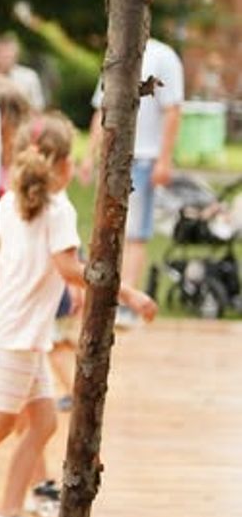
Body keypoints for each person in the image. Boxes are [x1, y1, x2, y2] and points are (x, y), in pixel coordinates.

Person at [0, 112, 157, 517]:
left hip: (18, 329)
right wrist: (128, 293)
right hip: (19, 333)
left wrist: (66, 284)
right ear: (62, 166)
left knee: (41, 423)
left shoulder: (12, 200)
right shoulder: (57, 208)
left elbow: (42, 261)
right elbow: (70, 267)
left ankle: (8, 511)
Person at [81, 32, 183, 327]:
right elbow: (102, 108)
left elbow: (173, 109)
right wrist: (89, 155)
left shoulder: (163, 56)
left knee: (136, 232)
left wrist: (164, 159)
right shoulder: (115, 55)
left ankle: (126, 306)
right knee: (108, 229)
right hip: (111, 158)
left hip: (144, 156)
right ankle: (106, 300)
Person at [0, 32, 45, 111]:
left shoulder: (29, 76)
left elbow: (38, 106)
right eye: (3, 53)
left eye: (10, 54)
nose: (7, 57)